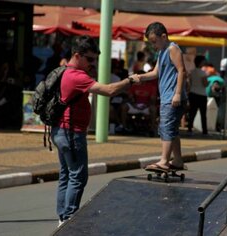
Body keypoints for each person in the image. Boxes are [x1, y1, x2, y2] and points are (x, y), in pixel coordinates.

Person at [51, 35, 138, 227]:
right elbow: (108, 90)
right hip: (71, 133)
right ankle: (68, 218)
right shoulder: (77, 76)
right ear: (77, 55)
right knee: (79, 176)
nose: (92, 63)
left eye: (94, 59)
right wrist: (130, 80)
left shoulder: (64, 71)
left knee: (66, 174)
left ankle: (62, 216)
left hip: (60, 130)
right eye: (89, 59)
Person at [130, 22, 187, 170]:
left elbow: (182, 71)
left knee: (166, 128)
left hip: (172, 97)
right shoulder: (162, 52)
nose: (153, 45)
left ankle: (164, 160)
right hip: (167, 96)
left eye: (154, 41)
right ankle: (178, 160)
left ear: (164, 36)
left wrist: (178, 94)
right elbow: (156, 73)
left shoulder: (172, 49)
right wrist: (140, 77)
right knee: (172, 129)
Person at [187, 55, 208, 135]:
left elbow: (189, 83)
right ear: (200, 63)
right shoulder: (202, 72)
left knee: (192, 112)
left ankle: (189, 128)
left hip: (193, 93)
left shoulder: (192, 71)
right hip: (202, 94)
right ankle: (204, 130)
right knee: (203, 114)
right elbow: (205, 84)